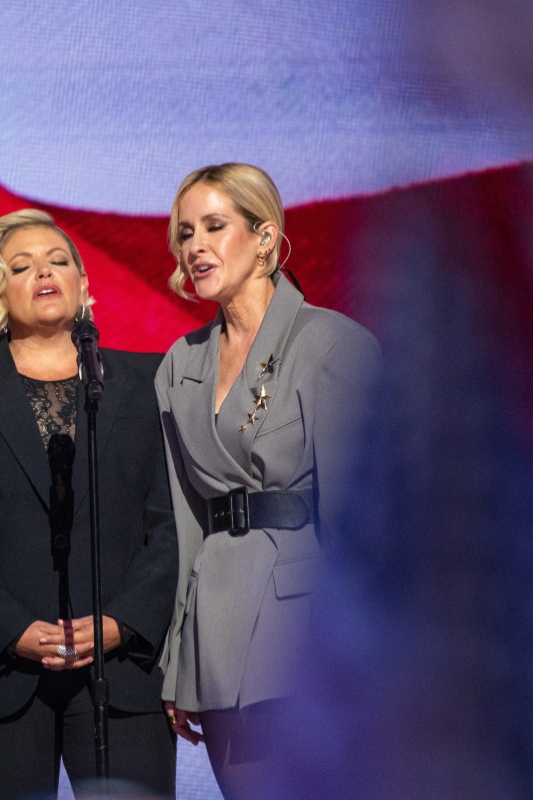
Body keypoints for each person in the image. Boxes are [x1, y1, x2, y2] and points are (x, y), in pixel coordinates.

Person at [0, 210, 179, 799]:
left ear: (86, 286)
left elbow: (171, 521)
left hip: (121, 678)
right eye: (21, 266)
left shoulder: (151, 381)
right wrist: (8, 628)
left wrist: (122, 622)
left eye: (59, 261)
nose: (44, 271)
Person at [155, 163, 380, 799]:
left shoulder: (332, 344)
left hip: (306, 635)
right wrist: (179, 660)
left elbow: (356, 527)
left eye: (215, 226)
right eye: (185, 232)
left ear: (265, 237)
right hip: (216, 635)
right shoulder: (179, 365)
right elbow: (184, 520)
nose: (195, 245)